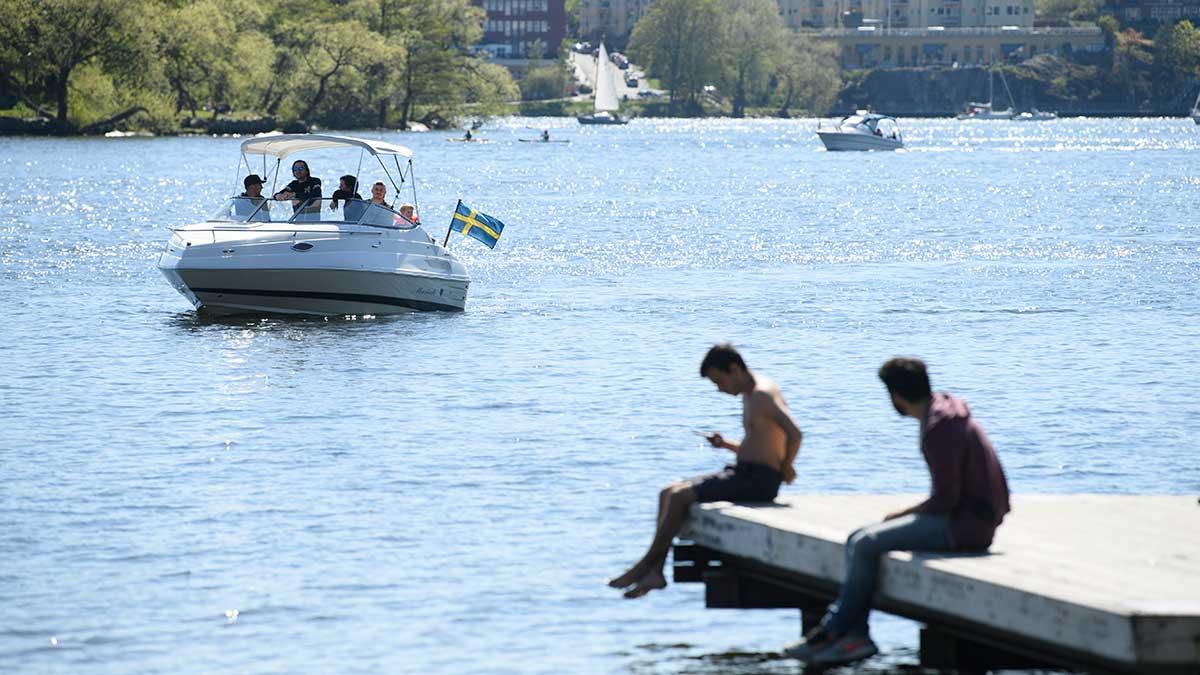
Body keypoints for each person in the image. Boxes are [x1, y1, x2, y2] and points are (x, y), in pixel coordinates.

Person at [785, 357, 1010, 667]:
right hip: (969, 516)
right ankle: (855, 636)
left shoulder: (937, 430)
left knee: (865, 543)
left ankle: (835, 631)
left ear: (895, 395)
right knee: (858, 537)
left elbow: (945, 499)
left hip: (966, 526)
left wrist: (902, 514)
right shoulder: (944, 409)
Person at [608, 344, 803, 600]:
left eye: (719, 381)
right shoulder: (751, 393)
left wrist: (786, 466)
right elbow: (760, 445)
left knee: (679, 497)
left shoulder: (761, 395)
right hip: (746, 472)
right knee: (668, 492)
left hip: (758, 481)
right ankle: (655, 572)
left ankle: (645, 564)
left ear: (734, 369)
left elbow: (795, 433)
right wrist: (727, 445)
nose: (719, 389)